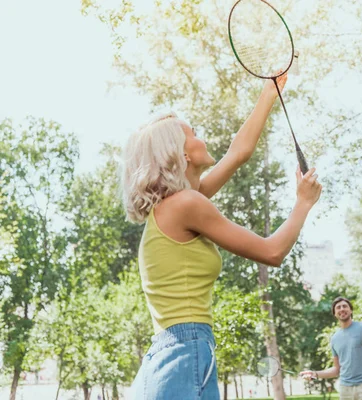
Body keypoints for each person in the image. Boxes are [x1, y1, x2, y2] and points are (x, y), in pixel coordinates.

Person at [123, 73, 322, 399]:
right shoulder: (186, 204)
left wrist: (269, 94)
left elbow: (238, 153)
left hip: (168, 354)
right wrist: (303, 203)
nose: (202, 138)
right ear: (181, 152)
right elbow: (272, 252)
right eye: (194, 134)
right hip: (186, 350)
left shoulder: (178, 204)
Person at [300, 297, 362, 400]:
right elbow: (337, 369)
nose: (341, 309)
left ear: (351, 310)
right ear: (335, 313)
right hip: (345, 389)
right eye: (338, 307)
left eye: (345, 306)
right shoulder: (334, 338)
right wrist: (314, 374)